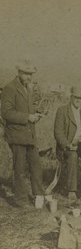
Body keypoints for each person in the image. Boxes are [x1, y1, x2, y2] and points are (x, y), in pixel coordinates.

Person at [1, 60, 45, 208]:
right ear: (19, 72)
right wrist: (27, 117)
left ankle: (39, 195)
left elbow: (28, 108)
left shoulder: (28, 88)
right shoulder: (10, 88)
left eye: (31, 74)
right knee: (19, 169)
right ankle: (21, 201)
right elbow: (6, 113)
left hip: (29, 135)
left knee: (36, 165)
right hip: (17, 135)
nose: (29, 77)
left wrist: (37, 113)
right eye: (26, 74)